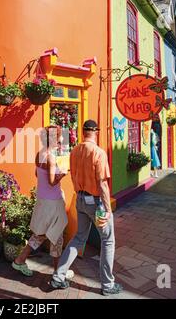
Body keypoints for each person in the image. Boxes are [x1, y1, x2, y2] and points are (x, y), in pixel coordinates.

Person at [49, 120, 123, 296]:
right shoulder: (98, 152)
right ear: (96, 131)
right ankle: (107, 285)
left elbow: (72, 175)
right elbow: (103, 184)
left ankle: (58, 277)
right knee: (108, 241)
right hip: (96, 202)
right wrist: (107, 209)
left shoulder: (74, 151)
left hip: (80, 199)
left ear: (83, 132)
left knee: (79, 238)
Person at [12, 126, 71, 277]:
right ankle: (59, 272)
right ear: (53, 139)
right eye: (59, 138)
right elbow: (52, 181)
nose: (61, 141)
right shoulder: (50, 157)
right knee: (56, 236)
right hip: (53, 202)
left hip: (43, 200)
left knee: (40, 234)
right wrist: (62, 173)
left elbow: (37, 175)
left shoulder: (40, 154)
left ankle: (19, 261)